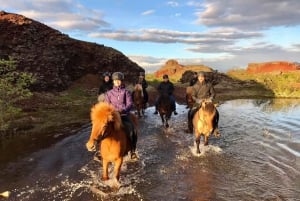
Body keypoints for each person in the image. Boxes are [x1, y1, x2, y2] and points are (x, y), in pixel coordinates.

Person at [104, 72, 138, 159]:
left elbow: (130, 104)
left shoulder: (126, 92)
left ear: (122, 81)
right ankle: (100, 151)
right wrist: (112, 112)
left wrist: (123, 110)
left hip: (123, 115)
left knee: (132, 129)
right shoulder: (109, 93)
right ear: (113, 82)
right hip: (113, 117)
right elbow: (107, 105)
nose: (117, 82)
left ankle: (133, 150)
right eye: (115, 81)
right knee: (103, 129)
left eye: (119, 80)